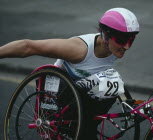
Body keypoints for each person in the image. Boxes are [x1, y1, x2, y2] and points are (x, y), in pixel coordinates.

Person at [0, 7, 139, 139]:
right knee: (111, 81)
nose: (127, 46)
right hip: (57, 96)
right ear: (105, 36)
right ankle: (81, 129)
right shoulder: (78, 49)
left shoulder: (113, 48)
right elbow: (28, 46)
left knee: (114, 83)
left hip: (82, 94)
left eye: (131, 40)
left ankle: (87, 127)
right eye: (121, 40)